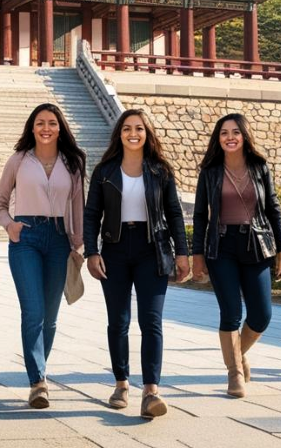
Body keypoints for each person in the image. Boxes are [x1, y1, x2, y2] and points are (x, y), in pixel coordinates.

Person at [83, 109, 190, 419]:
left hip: (151, 249)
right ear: (119, 133)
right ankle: (121, 384)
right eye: (127, 128)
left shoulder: (160, 172)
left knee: (151, 321)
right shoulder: (104, 171)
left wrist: (181, 254)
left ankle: (151, 391)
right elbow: (92, 215)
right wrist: (92, 251)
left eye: (139, 128)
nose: (133, 133)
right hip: (115, 250)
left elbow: (174, 215)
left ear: (147, 133)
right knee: (118, 321)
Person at [0, 103, 85, 409]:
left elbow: (77, 208)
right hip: (26, 237)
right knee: (32, 311)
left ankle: (38, 370)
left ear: (61, 128)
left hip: (59, 239)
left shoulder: (73, 164)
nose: (46, 128)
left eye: (52, 123)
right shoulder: (18, 160)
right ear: (31, 127)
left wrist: (78, 245)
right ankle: (38, 381)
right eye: (40, 123)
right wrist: (10, 226)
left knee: (51, 317)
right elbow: (0, 202)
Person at [191, 114, 281, 398]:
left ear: (245, 136)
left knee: (261, 314)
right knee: (231, 312)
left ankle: (237, 354)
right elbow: (199, 216)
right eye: (224, 133)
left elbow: (273, 208)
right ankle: (234, 372)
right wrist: (197, 254)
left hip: (256, 244)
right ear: (217, 139)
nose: (229, 137)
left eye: (235, 132)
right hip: (221, 246)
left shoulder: (259, 167)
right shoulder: (209, 171)